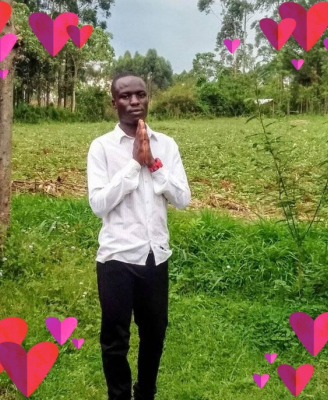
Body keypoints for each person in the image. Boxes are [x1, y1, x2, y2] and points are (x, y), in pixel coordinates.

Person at [87, 72, 191, 400]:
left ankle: (145, 392)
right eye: (125, 96)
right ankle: (119, 396)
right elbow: (98, 204)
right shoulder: (102, 147)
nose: (134, 102)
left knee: (154, 333)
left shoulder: (167, 145)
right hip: (116, 258)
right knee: (115, 339)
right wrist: (134, 165)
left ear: (148, 98)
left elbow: (183, 200)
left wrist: (154, 164)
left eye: (140, 95)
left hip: (154, 256)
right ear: (114, 103)